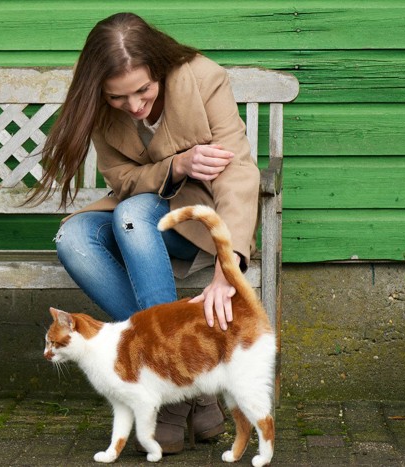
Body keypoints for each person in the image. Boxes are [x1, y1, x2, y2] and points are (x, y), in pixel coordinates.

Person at [28, 12, 260, 454]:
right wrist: (176, 165)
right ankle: (193, 381)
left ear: (159, 68)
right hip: (136, 212)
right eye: (119, 97)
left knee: (133, 214)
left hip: (196, 221)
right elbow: (122, 180)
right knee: (74, 238)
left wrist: (227, 270)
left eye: (144, 91)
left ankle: (170, 387)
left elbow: (239, 175)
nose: (134, 106)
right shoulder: (97, 107)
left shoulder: (203, 78)